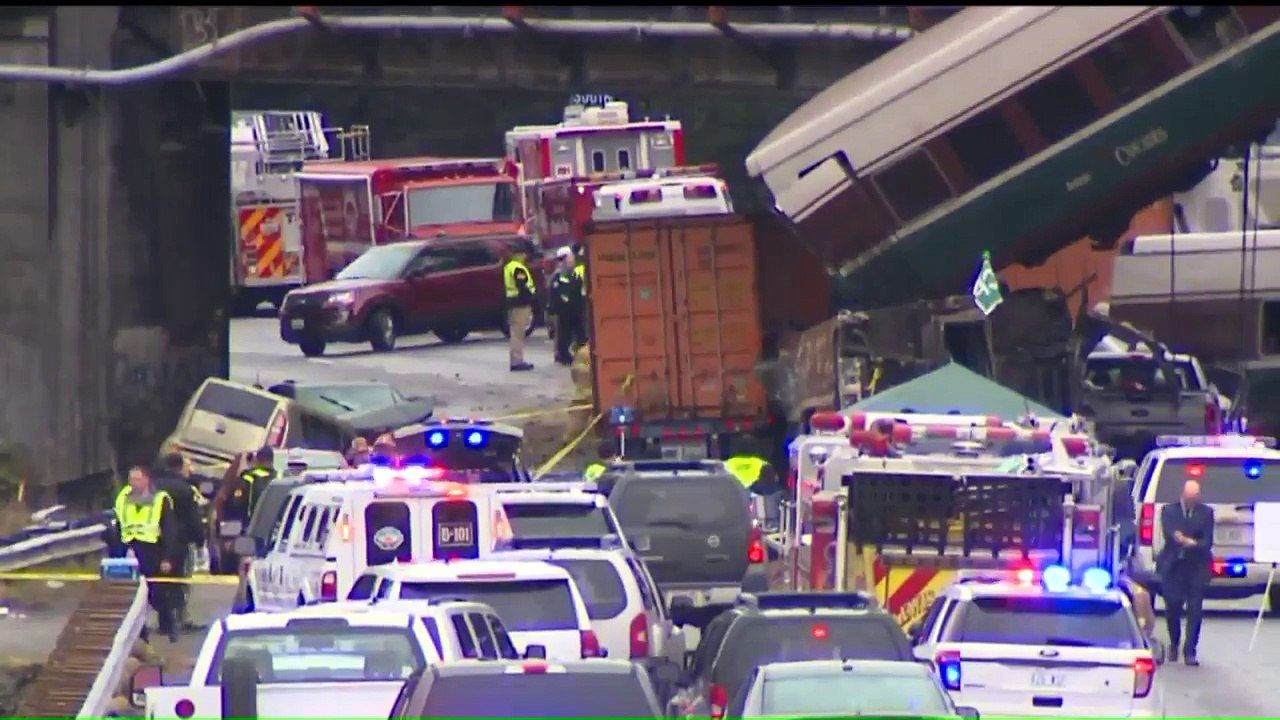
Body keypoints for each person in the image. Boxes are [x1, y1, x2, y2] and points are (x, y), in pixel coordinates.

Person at [112, 466, 182, 642]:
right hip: (130, 550)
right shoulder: (123, 498)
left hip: (152, 550)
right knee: (133, 595)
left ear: (146, 480)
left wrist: (168, 557)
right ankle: (141, 633)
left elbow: (170, 530)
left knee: (157, 593)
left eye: (137, 479)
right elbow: (119, 525)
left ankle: (169, 625)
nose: (133, 483)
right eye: (131, 479)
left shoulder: (159, 499)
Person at [1156, 478, 1214, 666]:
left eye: (1195, 497)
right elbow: (1170, 533)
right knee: (1172, 607)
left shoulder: (1206, 513)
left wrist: (1192, 542)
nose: (1192, 500)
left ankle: (1190, 650)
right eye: (1189, 497)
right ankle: (1174, 642)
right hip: (1174, 566)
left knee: (1195, 610)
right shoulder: (1169, 511)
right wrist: (1181, 538)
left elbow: (1207, 541)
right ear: (1183, 494)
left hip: (1196, 566)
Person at [152, 452, 208, 633]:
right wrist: (200, 539)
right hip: (181, 542)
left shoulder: (152, 487)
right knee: (181, 580)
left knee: (159, 581)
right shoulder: (185, 489)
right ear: (179, 467)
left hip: (154, 541)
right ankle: (180, 618)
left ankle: (165, 620)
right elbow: (194, 518)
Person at [548, 246, 586, 366]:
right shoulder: (561, 274)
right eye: (570, 256)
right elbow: (558, 292)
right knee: (565, 334)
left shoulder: (572, 272)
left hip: (574, 308)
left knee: (578, 334)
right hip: (566, 310)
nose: (572, 258)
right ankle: (564, 356)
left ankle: (575, 355)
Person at [503, 247, 537, 372]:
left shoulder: (509, 266)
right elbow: (522, 285)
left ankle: (516, 360)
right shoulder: (517, 268)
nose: (525, 256)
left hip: (513, 302)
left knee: (516, 332)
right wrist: (530, 299)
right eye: (523, 253)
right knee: (518, 333)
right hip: (520, 303)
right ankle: (517, 361)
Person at [725, 455, 782, 528]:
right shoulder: (727, 467)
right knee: (768, 493)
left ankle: (769, 521)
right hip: (762, 468)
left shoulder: (726, 470)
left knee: (768, 493)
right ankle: (769, 521)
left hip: (760, 472)